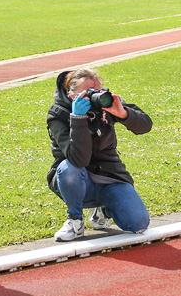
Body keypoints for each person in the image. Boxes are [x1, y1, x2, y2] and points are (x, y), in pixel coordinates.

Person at [46, 69, 152, 241]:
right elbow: (79, 159)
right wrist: (78, 119)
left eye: (98, 89)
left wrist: (123, 114)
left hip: (108, 175)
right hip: (76, 179)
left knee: (138, 223)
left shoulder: (106, 102)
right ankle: (74, 221)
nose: (95, 95)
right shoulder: (58, 114)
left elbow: (145, 126)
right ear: (72, 95)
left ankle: (103, 210)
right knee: (69, 167)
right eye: (88, 92)